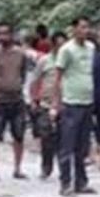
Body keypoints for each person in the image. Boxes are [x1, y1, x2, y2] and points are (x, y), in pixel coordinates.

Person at [52, 17, 98, 196]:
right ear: (74, 29)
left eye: (87, 27)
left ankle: (81, 182)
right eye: (82, 27)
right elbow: (58, 77)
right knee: (67, 145)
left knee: (82, 146)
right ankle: (65, 183)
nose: (85, 30)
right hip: (71, 102)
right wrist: (56, 103)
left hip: (87, 101)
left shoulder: (91, 48)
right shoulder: (66, 50)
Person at [0, 22, 30, 181]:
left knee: (19, 135)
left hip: (16, 99)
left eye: (5, 33)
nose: (2, 37)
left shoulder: (20, 54)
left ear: (12, 35)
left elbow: (23, 74)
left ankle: (17, 168)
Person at [30, 31, 66, 179]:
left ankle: (64, 169)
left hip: (65, 103)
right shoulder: (44, 61)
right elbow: (35, 80)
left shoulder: (68, 60)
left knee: (64, 138)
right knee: (46, 137)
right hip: (46, 103)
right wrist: (34, 99)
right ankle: (46, 167)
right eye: (58, 44)